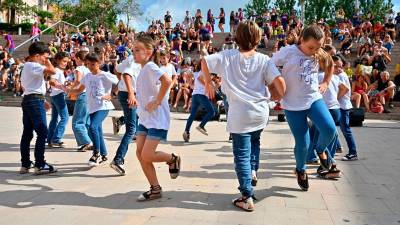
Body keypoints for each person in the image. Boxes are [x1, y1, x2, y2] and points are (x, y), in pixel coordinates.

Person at [202, 21, 286, 212]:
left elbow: (205, 61)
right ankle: (253, 170)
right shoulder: (264, 60)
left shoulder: (227, 56)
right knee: (255, 142)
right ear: (258, 38)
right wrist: (277, 95)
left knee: (241, 154)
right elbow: (280, 84)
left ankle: (246, 196)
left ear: (237, 38)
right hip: (259, 113)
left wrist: (208, 82)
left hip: (240, 114)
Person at [271, 25, 338, 191]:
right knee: (303, 144)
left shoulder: (318, 52)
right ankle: (300, 170)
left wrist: (326, 82)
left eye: (318, 47)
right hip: (293, 104)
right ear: (302, 40)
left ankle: (321, 150)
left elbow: (330, 65)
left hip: (313, 99)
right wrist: (274, 86)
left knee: (330, 130)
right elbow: (269, 66)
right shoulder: (288, 52)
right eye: (311, 47)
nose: (314, 51)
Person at [133, 35, 181, 201]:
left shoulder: (151, 67)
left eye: (137, 50)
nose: (134, 53)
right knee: (140, 153)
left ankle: (172, 159)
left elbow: (167, 81)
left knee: (147, 154)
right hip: (145, 117)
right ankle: (155, 188)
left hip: (157, 118)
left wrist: (158, 101)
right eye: (133, 49)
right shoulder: (144, 69)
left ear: (149, 52)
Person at [69, 52, 119, 166]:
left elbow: (120, 82)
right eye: (87, 64)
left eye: (92, 64)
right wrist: (68, 90)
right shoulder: (87, 76)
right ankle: (104, 154)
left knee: (92, 127)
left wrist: (112, 94)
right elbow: (79, 90)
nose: (90, 67)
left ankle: (96, 153)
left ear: (99, 63)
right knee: (98, 131)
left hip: (103, 106)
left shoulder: (105, 74)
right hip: (92, 107)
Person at [19, 41, 57, 175]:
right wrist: (48, 61)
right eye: (44, 57)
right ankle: (40, 164)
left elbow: (31, 87)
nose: (46, 60)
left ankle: (25, 164)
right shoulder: (33, 65)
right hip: (34, 100)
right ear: (36, 55)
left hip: (30, 99)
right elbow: (53, 71)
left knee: (27, 133)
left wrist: (42, 99)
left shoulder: (28, 66)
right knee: (43, 132)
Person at [109, 55, 141, 175]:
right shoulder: (136, 59)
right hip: (129, 94)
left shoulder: (130, 58)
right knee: (131, 130)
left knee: (140, 115)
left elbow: (116, 70)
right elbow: (126, 74)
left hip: (128, 93)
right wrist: (131, 93)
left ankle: (121, 121)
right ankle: (118, 159)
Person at [333, 56, 359, 161]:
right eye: (336, 66)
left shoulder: (341, 75)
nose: (339, 68)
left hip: (343, 107)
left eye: (340, 66)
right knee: (334, 128)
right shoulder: (338, 75)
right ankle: (336, 147)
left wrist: (335, 99)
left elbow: (345, 90)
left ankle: (353, 152)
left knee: (345, 130)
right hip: (341, 106)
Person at [183, 61, 215, 142]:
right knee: (211, 112)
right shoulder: (204, 71)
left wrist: (189, 82)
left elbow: (188, 77)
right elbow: (200, 79)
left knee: (192, 115)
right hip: (201, 95)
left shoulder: (196, 72)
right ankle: (201, 125)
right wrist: (209, 86)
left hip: (195, 95)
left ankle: (186, 131)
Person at [70, 50, 92, 151]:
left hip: (82, 94)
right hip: (90, 96)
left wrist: (71, 87)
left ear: (79, 59)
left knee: (77, 121)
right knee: (86, 121)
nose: (74, 60)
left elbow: (78, 80)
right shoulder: (89, 69)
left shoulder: (79, 68)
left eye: (75, 58)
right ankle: (89, 140)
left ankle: (85, 142)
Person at [47, 52, 70, 148]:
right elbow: (51, 81)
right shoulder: (56, 70)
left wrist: (64, 85)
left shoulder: (58, 70)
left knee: (55, 119)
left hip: (55, 95)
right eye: (64, 61)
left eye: (67, 62)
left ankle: (50, 139)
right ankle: (56, 139)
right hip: (58, 96)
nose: (65, 63)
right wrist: (61, 87)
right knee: (65, 117)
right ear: (57, 60)